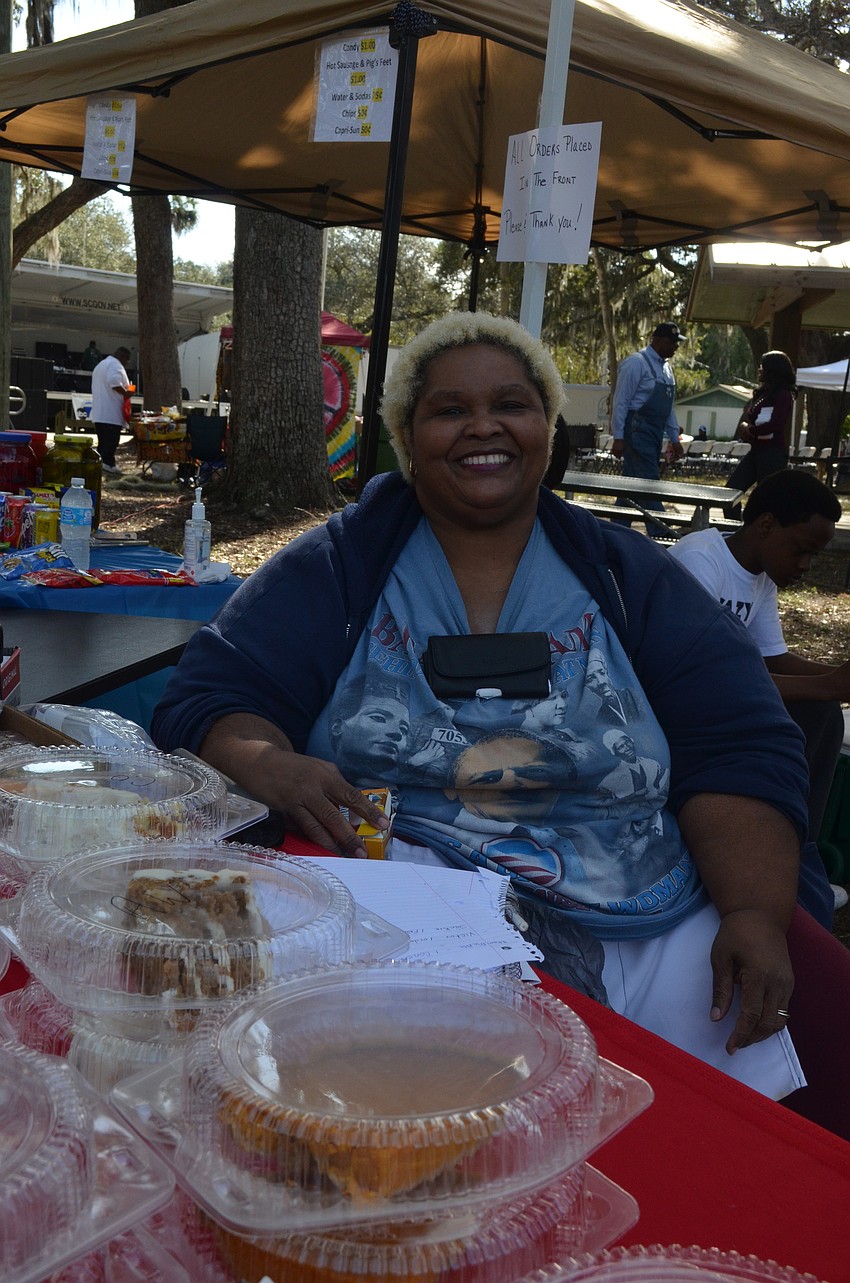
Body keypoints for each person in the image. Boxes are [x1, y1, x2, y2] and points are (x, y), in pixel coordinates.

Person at [152, 311, 850, 1139]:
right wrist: (265, 761)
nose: (483, 426)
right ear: (409, 437)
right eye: (449, 409)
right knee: (420, 1134)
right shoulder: (337, 564)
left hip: (649, 911)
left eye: (511, 404)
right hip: (406, 901)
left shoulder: (632, 576)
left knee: (712, 1135)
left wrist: (753, 913)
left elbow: (735, 740)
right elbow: (218, 690)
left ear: (546, 426)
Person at [669, 469, 847, 910]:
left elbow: (770, 659)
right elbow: (704, 673)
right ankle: (776, 853)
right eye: (803, 551)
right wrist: (827, 685)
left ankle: (794, 849)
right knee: (816, 710)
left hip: (724, 703)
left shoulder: (760, 572)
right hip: (681, 711)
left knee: (822, 713)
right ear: (766, 525)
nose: (805, 566)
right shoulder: (700, 560)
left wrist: (835, 676)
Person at [610, 322, 686, 531]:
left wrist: (674, 438)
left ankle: (616, 529)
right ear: (658, 340)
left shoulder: (667, 369)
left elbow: (668, 408)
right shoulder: (636, 363)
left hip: (654, 433)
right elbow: (621, 401)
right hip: (637, 431)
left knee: (631, 485)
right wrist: (618, 437)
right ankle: (663, 533)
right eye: (672, 342)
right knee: (648, 483)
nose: (676, 347)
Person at [726, 350, 796, 498]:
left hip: (773, 454)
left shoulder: (783, 395)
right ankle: (738, 522)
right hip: (756, 451)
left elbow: (775, 425)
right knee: (731, 491)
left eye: (763, 366)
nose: (759, 369)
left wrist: (750, 430)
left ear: (772, 370)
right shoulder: (764, 393)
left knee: (766, 498)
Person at [90, 345, 131, 475]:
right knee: (111, 441)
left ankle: (101, 463)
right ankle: (108, 464)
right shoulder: (115, 365)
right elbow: (114, 381)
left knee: (102, 442)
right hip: (111, 413)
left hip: (99, 413)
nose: (126, 364)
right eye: (127, 361)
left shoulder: (101, 364)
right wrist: (126, 393)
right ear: (123, 357)